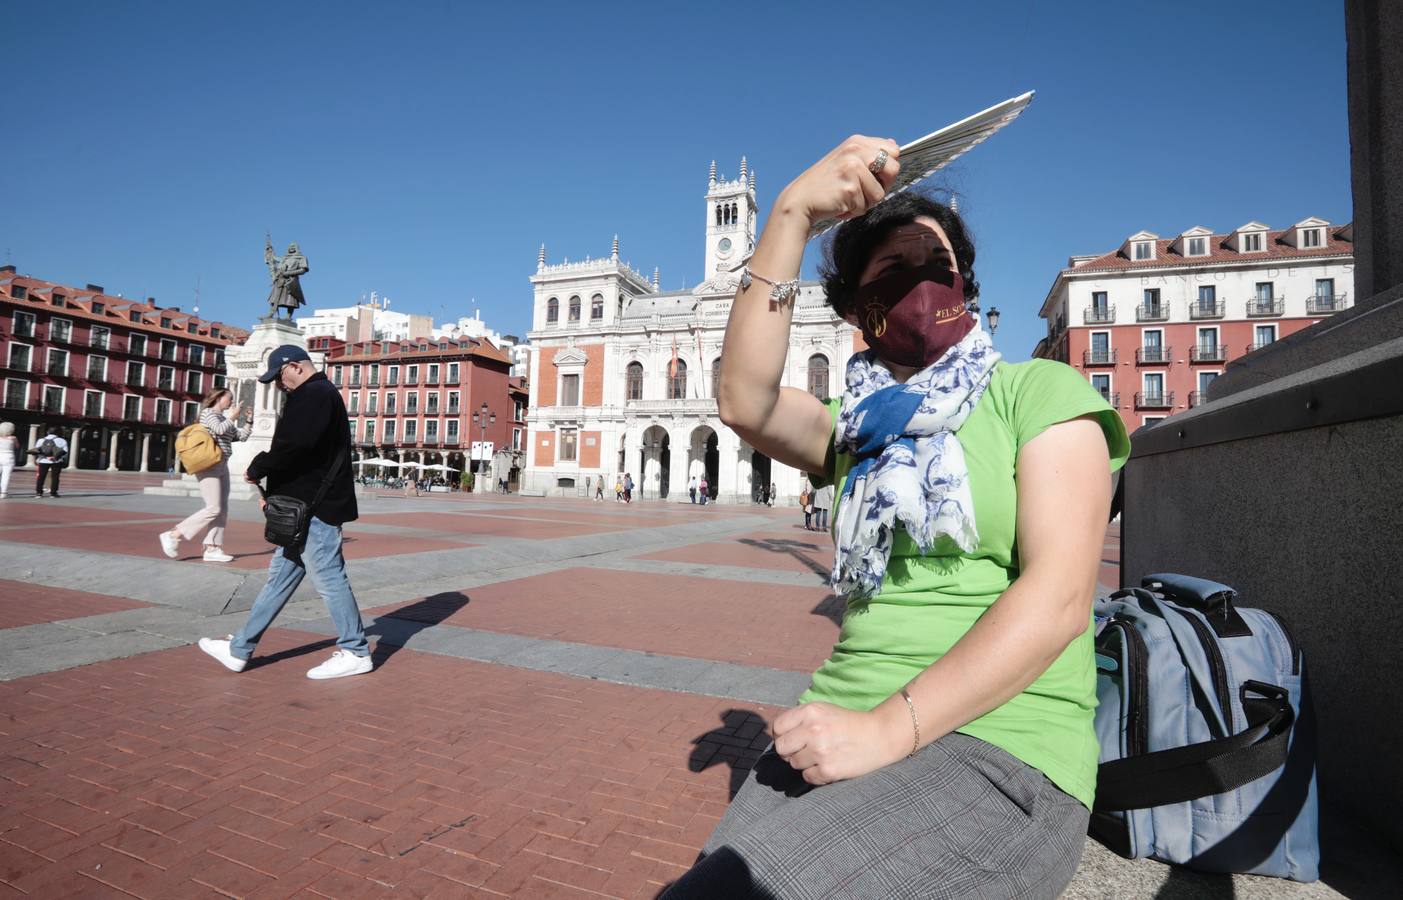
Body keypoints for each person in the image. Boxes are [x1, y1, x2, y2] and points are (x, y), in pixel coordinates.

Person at [666, 136, 1129, 898]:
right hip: (835, 724)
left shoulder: (1037, 393)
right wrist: (788, 215)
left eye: (933, 264)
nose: (917, 282)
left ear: (966, 287)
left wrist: (886, 729)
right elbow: (742, 402)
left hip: (1000, 744)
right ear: (857, 310)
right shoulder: (857, 428)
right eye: (890, 271)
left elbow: (1057, 601)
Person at [197, 345, 373, 680]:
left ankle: (356, 650)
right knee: (279, 579)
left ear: (294, 367)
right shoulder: (314, 395)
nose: (279, 385)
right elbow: (302, 450)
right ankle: (239, 650)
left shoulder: (315, 395)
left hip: (315, 508)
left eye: (279, 377)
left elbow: (295, 447)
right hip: (304, 506)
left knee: (329, 577)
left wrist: (259, 466)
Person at [159, 389, 252, 563]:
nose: (231, 402)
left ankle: (212, 548)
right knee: (213, 508)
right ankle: (173, 534)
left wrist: (248, 420)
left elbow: (241, 437)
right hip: (209, 464)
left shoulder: (224, 418)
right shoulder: (208, 414)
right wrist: (233, 416)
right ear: (218, 398)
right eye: (229, 398)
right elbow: (217, 429)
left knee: (222, 509)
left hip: (222, 465)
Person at [30, 427, 68, 498]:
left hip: (43, 461)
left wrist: (45, 457)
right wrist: (55, 457)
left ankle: (39, 493)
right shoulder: (62, 440)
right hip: (56, 461)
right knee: (55, 477)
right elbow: (65, 452)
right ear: (57, 433)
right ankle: (53, 493)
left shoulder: (41, 440)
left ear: (48, 432)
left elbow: (37, 450)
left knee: (41, 476)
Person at [0, 421, 16, 498]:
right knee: (5, 476)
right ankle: (3, 493)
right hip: (8, 457)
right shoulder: (13, 438)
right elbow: (17, 446)